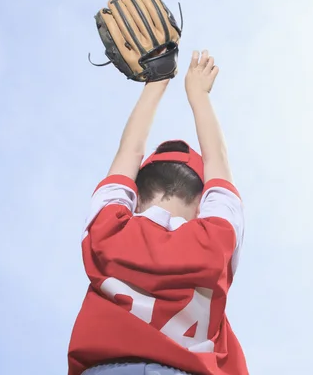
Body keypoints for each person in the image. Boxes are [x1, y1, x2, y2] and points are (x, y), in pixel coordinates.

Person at [67, 50, 248, 375]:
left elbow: (129, 152)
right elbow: (217, 161)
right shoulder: (215, 241)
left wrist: (157, 79)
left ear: (133, 197)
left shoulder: (107, 231)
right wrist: (199, 96)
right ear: (202, 203)